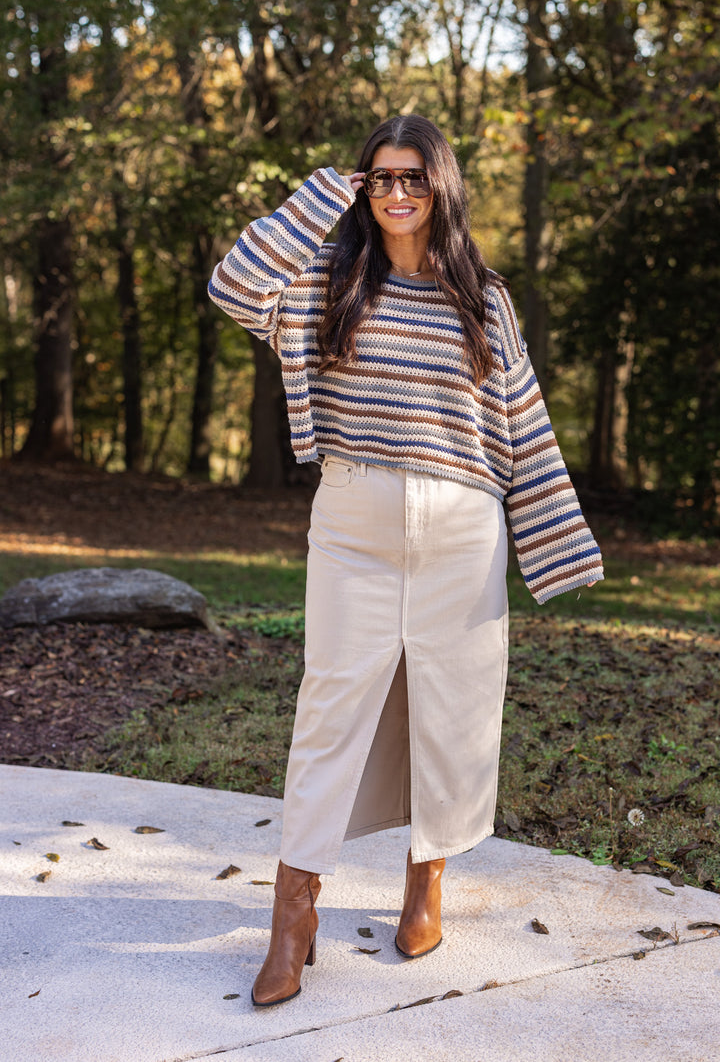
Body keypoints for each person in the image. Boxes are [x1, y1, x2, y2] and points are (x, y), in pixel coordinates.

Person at [208, 113, 603, 1007]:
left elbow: (522, 422)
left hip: (464, 527)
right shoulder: (324, 279)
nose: (395, 193)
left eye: (413, 179)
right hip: (353, 521)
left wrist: (552, 545)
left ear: (442, 188)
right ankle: (292, 919)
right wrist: (318, 195)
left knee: (454, 708)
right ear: (362, 185)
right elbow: (233, 285)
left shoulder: (483, 297)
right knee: (329, 711)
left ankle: (426, 881)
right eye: (380, 177)